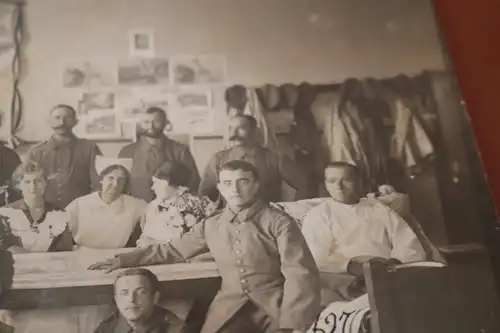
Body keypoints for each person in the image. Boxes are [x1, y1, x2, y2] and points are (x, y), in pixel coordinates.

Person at [90, 160, 320, 333]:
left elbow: (300, 274)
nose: (235, 189)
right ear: (220, 187)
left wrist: (292, 323)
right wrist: (124, 260)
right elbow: (175, 250)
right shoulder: (212, 223)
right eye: (228, 183)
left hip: (274, 306)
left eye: (243, 182)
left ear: (256, 185)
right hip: (229, 308)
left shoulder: (278, 221)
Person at [301, 162, 426, 304]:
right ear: (326, 184)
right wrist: (349, 266)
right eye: (332, 181)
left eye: (345, 180)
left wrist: (395, 263)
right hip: (346, 277)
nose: (339, 186)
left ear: (358, 181)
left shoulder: (379, 209)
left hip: (389, 270)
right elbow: (315, 257)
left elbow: (407, 242)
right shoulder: (320, 214)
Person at [199, 115, 306, 204]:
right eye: (231, 129)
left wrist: (292, 210)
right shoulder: (219, 159)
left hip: (267, 222)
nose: (234, 134)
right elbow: (204, 194)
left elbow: (304, 186)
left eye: (241, 128)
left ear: (256, 131)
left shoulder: (276, 158)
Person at [25, 104, 102, 209]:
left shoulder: (89, 148)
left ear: (76, 122)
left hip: (80, 210)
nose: (62, 122)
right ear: (49, 121)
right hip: (44, 212)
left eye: (68, 117)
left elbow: (98, 185)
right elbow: (27, 185)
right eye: (57, 118)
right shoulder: (36, 151)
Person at [119, 107, 200, 202]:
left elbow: (194, 184)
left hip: (171, 210)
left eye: (156, 121)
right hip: (134, 209)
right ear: (140, 124)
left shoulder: (180, 151)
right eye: (146, 122)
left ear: (165, 123)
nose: (151, 126)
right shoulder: (126, 152)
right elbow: (119, 185)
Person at [66, 156, 147, 250]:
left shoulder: (134, 205)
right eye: (110, 178)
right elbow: (58, 227)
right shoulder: (80, 204)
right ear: (101, 179)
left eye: (120, 179)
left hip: (116, 256)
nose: (115, 184)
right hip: (81, 254)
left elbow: (155, 215)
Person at [0, 161, 73, 254]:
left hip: (52, 266)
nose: (33, 186)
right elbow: (5, 248)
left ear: (46, 183)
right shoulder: (5, 213)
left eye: (38, 181)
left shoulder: (60, 214)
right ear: (19, 185)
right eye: (27, 182)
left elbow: (64, 251)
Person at [137, 161, 215, 247]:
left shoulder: (195, 204)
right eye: (154, 182)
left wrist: (156, 243)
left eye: (158, 183)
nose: (153, 187)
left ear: (179, 187)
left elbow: (195, 241)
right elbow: (146, 234)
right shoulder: (153, 205)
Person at [94, 268, 190, 333]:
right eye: (124, 293)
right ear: (116, 299)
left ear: (155, 297)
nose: (131, 299)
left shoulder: (176, 329)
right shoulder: (106, 328)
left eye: (141, 292)